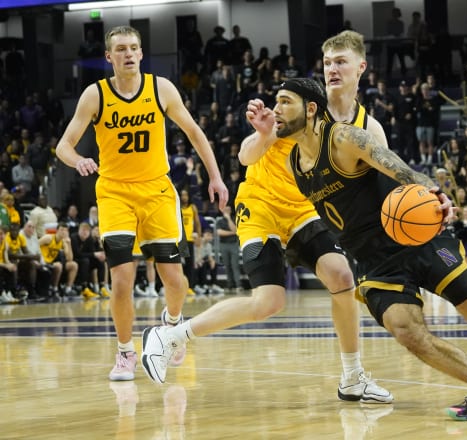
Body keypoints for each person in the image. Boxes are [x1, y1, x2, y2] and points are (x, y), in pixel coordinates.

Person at [234, 78, 467, 420]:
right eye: (276, 103)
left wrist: (436, 193)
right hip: (375, 263)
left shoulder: (344, 138)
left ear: (312, 108)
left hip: (414, 240)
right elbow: (247, 157)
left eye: (285, 102)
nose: (277, 110)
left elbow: (398, 166)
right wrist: (261, 134)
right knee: (406, 330)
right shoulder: (293, 163)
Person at [141, 30, 393, 404]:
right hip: (260, 204)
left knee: (342, 276)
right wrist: (262, 135)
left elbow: (382, 185)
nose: (332, 69)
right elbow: (245, 156)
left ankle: (353, 377)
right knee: (268, 301)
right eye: (327, 63)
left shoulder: (367, 126)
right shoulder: (300, 104)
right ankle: (171, 335)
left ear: (361, 68)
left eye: (340, 62)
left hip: (302, 209)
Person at [54, 25, 228, 381]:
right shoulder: (95, 95)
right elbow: (63, 146)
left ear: (141, 53)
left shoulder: (160, 88)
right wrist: (78, 161)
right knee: (121, 280)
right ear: (109, 56)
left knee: (176, 281)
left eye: (134, 47)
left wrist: (215, 176)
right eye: (121, 49)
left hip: (157, 191)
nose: (129, 53)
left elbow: (194, 131)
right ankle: (125, 353)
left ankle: (172, 330)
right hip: (115, 192)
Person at [216, 205, 242, 293]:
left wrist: (228, 219)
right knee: (227, 265)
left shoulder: (234, 219)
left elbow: (235, 229)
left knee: (235, 265)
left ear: (231, 210)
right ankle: (230, 285)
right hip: (223, 245)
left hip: (233, 244)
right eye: (225, 209)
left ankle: (238, 285)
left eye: (228, 209)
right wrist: (232, 233)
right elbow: (220, 232)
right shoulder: (219, 221)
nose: (227, 210)